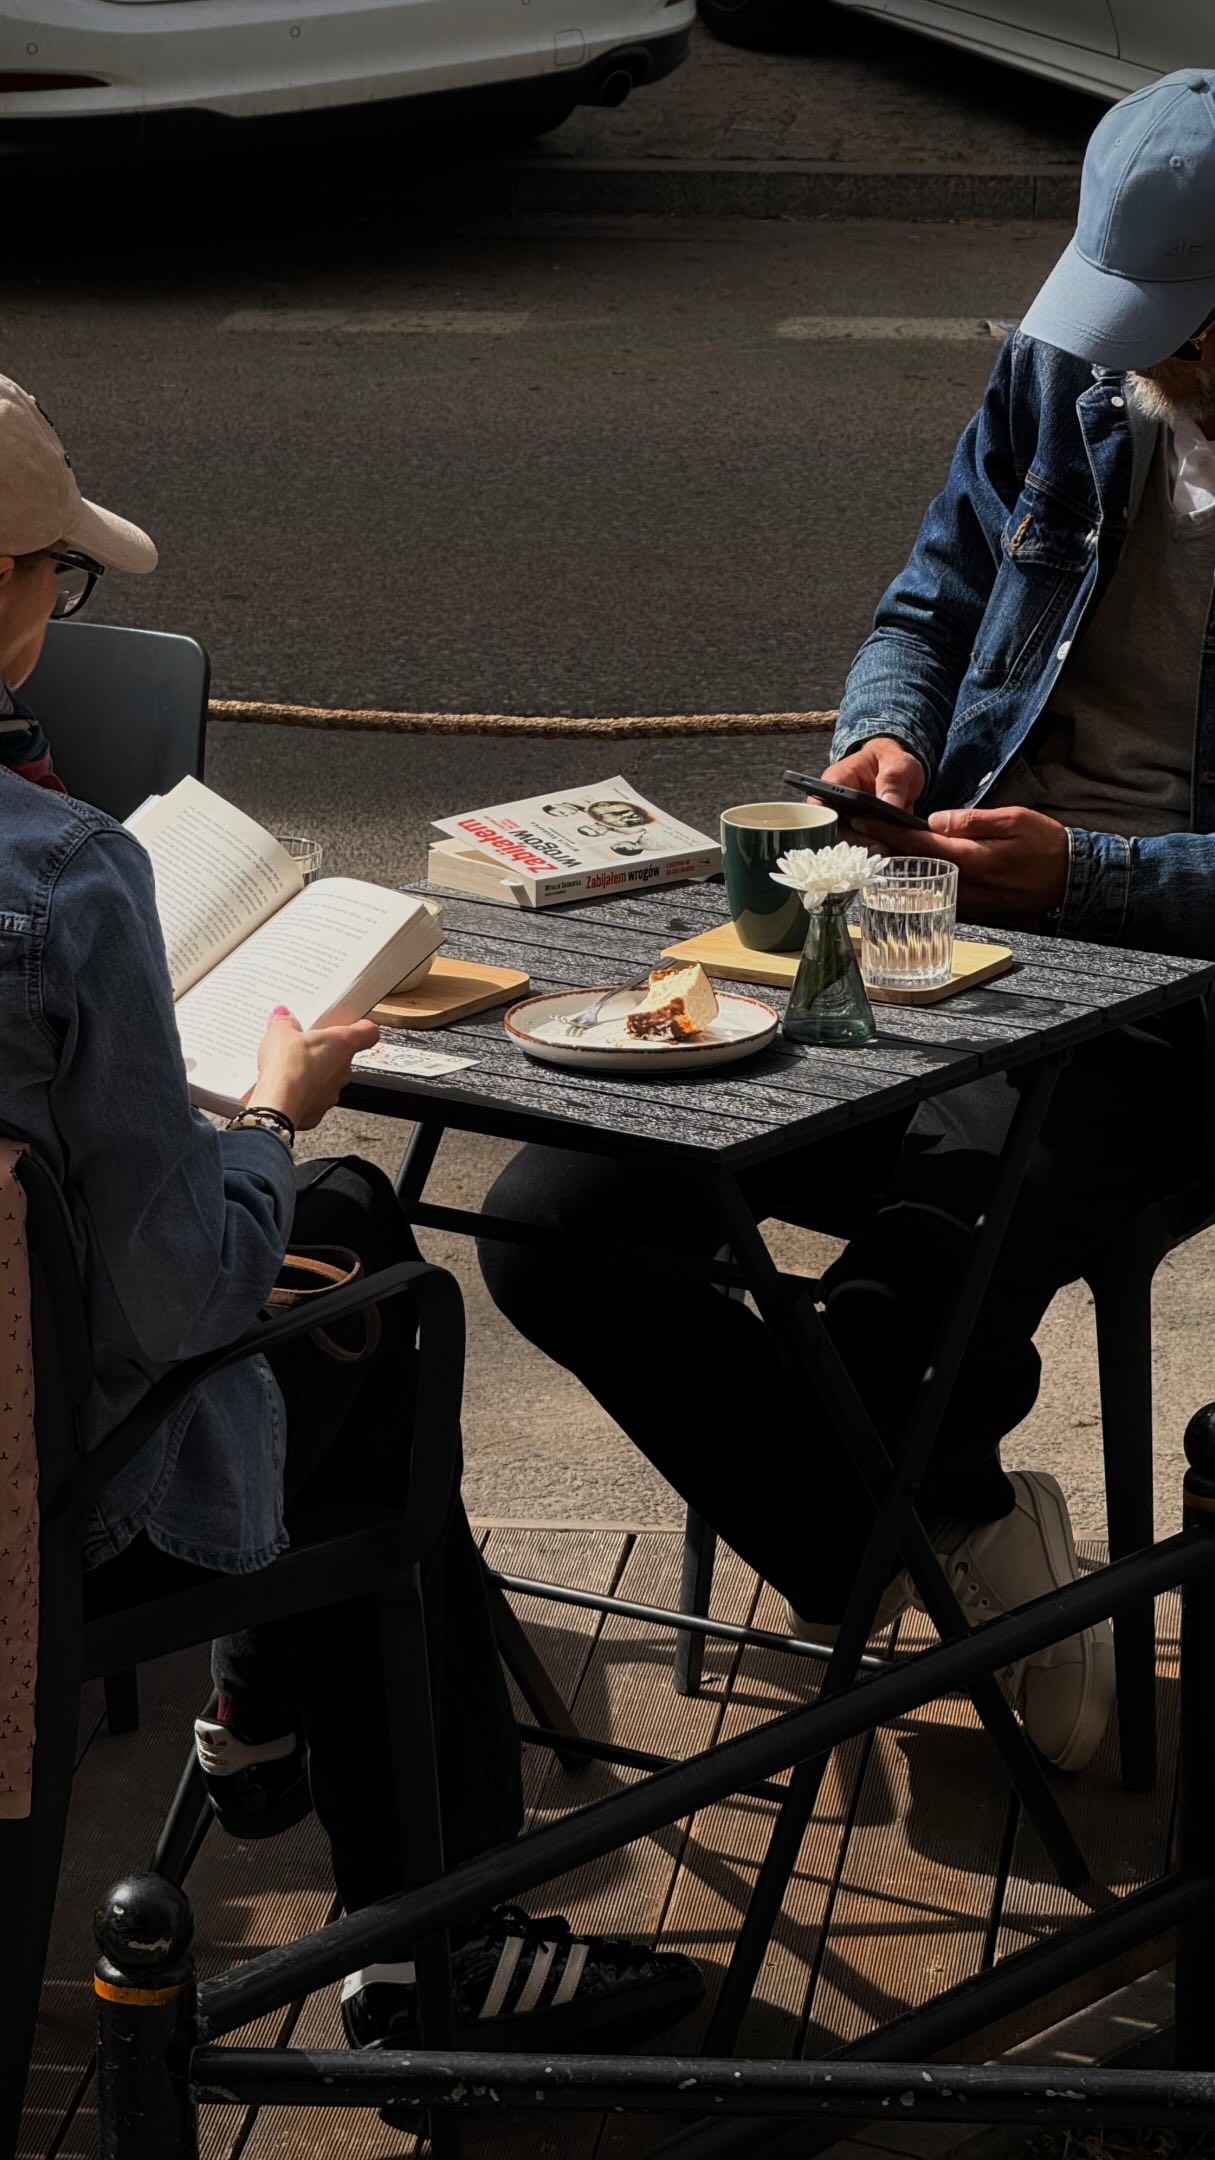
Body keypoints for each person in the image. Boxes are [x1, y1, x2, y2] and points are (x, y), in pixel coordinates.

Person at [480, 70, 1215, 1778]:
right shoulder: (1067, 369)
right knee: (552, 1216)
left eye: (1186, 337)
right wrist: (881, 732)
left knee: (915, 1286)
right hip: (929, 908)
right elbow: (930, 597)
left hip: (1163, 994)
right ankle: (942, 1526)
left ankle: (897, 1521)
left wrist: (1085, 881)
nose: (1151, 369)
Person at [0, 374, 703, 2054]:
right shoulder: (62, 883)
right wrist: (263, 1106)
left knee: (341, 1249)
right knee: (367, 1291)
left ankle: (266, 1721)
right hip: (54, 1501)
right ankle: (435, 1944)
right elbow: (177, 1298)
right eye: (52, 574)